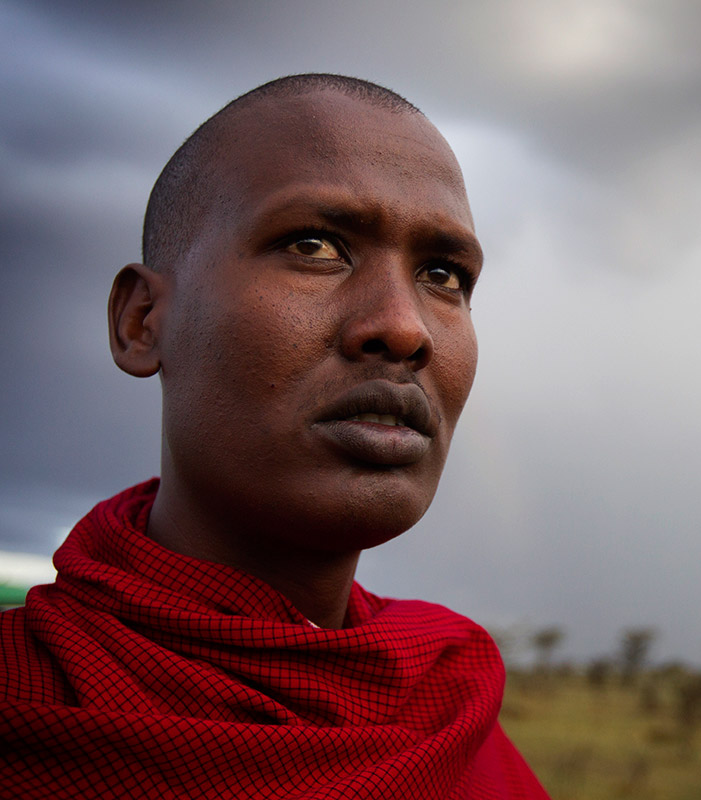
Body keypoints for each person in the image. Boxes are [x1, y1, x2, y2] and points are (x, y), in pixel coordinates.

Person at [0, 74, 549, 799]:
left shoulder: (450, 714)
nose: (405, 326)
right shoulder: (27, 698)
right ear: (142, 321)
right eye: (315, 245)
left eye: (442, 273)